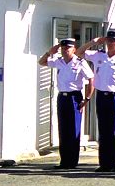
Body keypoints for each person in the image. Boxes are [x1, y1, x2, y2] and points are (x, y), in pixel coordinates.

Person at [78, 29, 115, 173]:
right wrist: (94, 42)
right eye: (108, 40)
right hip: (101, 96)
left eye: (113, 41)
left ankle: (112, 164)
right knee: (103, 130)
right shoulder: (99, 55)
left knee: (114, 130)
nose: (110, 43)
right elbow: (79, 53)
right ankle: (104, 163)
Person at [38, 38, 92, 169]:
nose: (64, 51)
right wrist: (49, 52)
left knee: (73, 129)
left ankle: (72, 161)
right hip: (62, 97)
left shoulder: (80, 62)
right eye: (62, 48)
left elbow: (91, 79)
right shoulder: (58, 61)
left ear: (74, 49)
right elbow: (42, 62)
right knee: (63, 129)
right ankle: (64, 161)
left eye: (67, 48)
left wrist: (87, 98)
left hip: (75, 97)